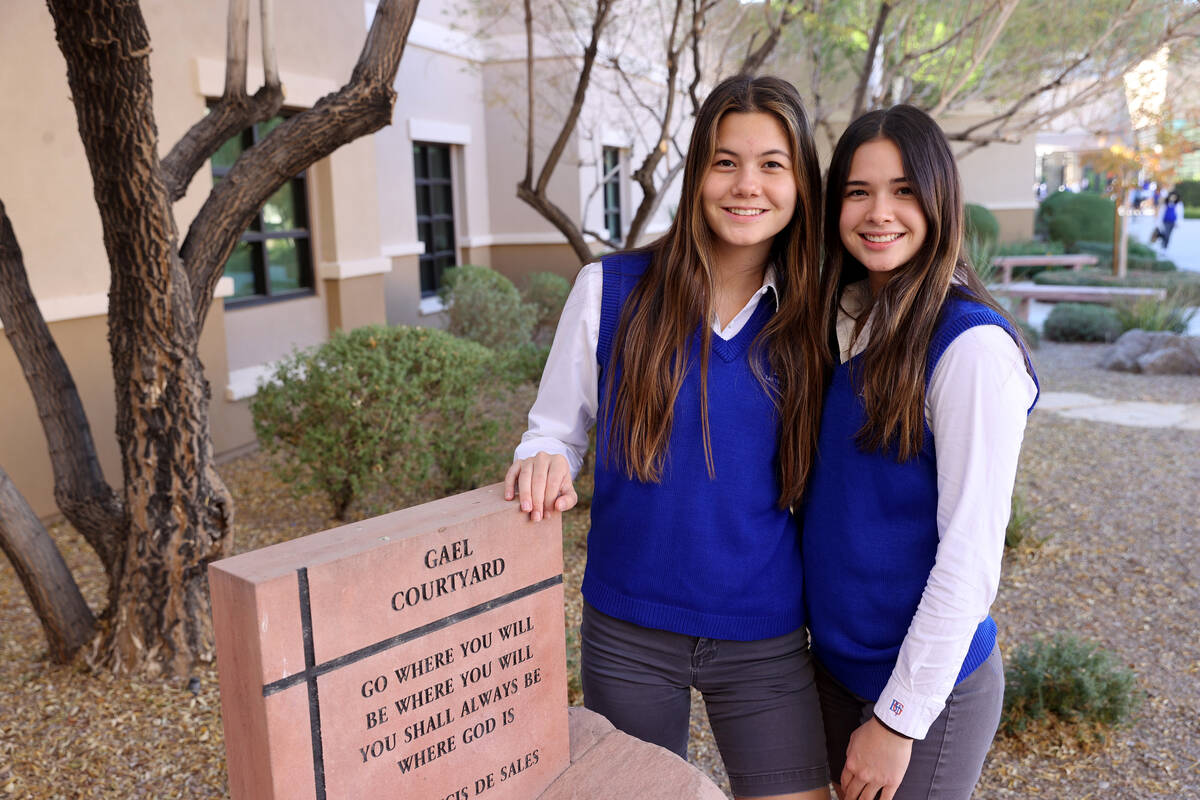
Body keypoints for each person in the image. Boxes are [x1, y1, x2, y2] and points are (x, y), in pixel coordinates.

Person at [504, 74, 830, 800]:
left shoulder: (821, 318)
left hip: (767, 635)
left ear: (801, 181)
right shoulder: (610, 291)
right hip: (628, 629)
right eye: (724, 161)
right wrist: (543, 462)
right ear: (696, 176)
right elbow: (553, 431)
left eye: (772, 164)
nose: (747, 185)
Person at [802, 105, 1039, 800]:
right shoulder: (844, 318)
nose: (880, 212)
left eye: (904, 190)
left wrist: (898, 720)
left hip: (921, 695)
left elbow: (969, 558)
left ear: (940, 199)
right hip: (836, 673)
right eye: (858, 191)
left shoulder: (971, 348)